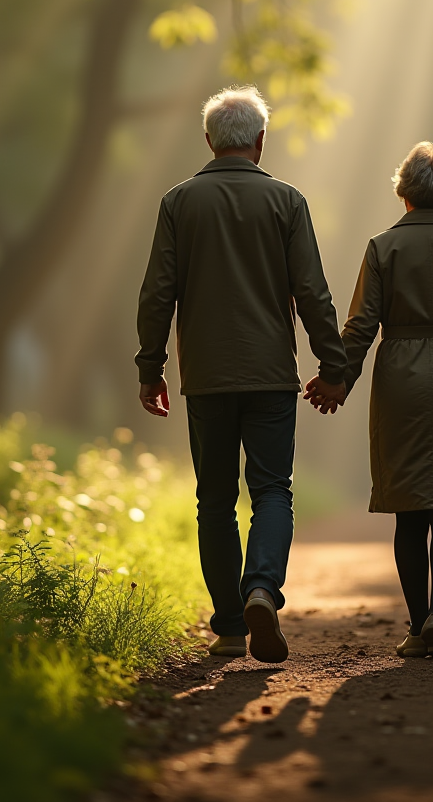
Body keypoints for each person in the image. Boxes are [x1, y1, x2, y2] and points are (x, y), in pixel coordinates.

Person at [136, 85, 347, 663]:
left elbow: (158, 292)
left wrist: (149, 366)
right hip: (270, 373)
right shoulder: (287, 201)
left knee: (215, 501)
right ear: (260, 141)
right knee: (272, 490)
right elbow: (312, 291)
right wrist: (335, 365)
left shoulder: (179, 203)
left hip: (205, 376)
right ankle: (262, 590)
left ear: (208, 140)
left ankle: (230, 625)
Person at [305, 141, 433, 660]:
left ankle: (418, 626)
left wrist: (338, 381)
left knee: (409, 508)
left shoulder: (382, 248)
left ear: (403, 190)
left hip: (400, 377)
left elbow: (360, 326)